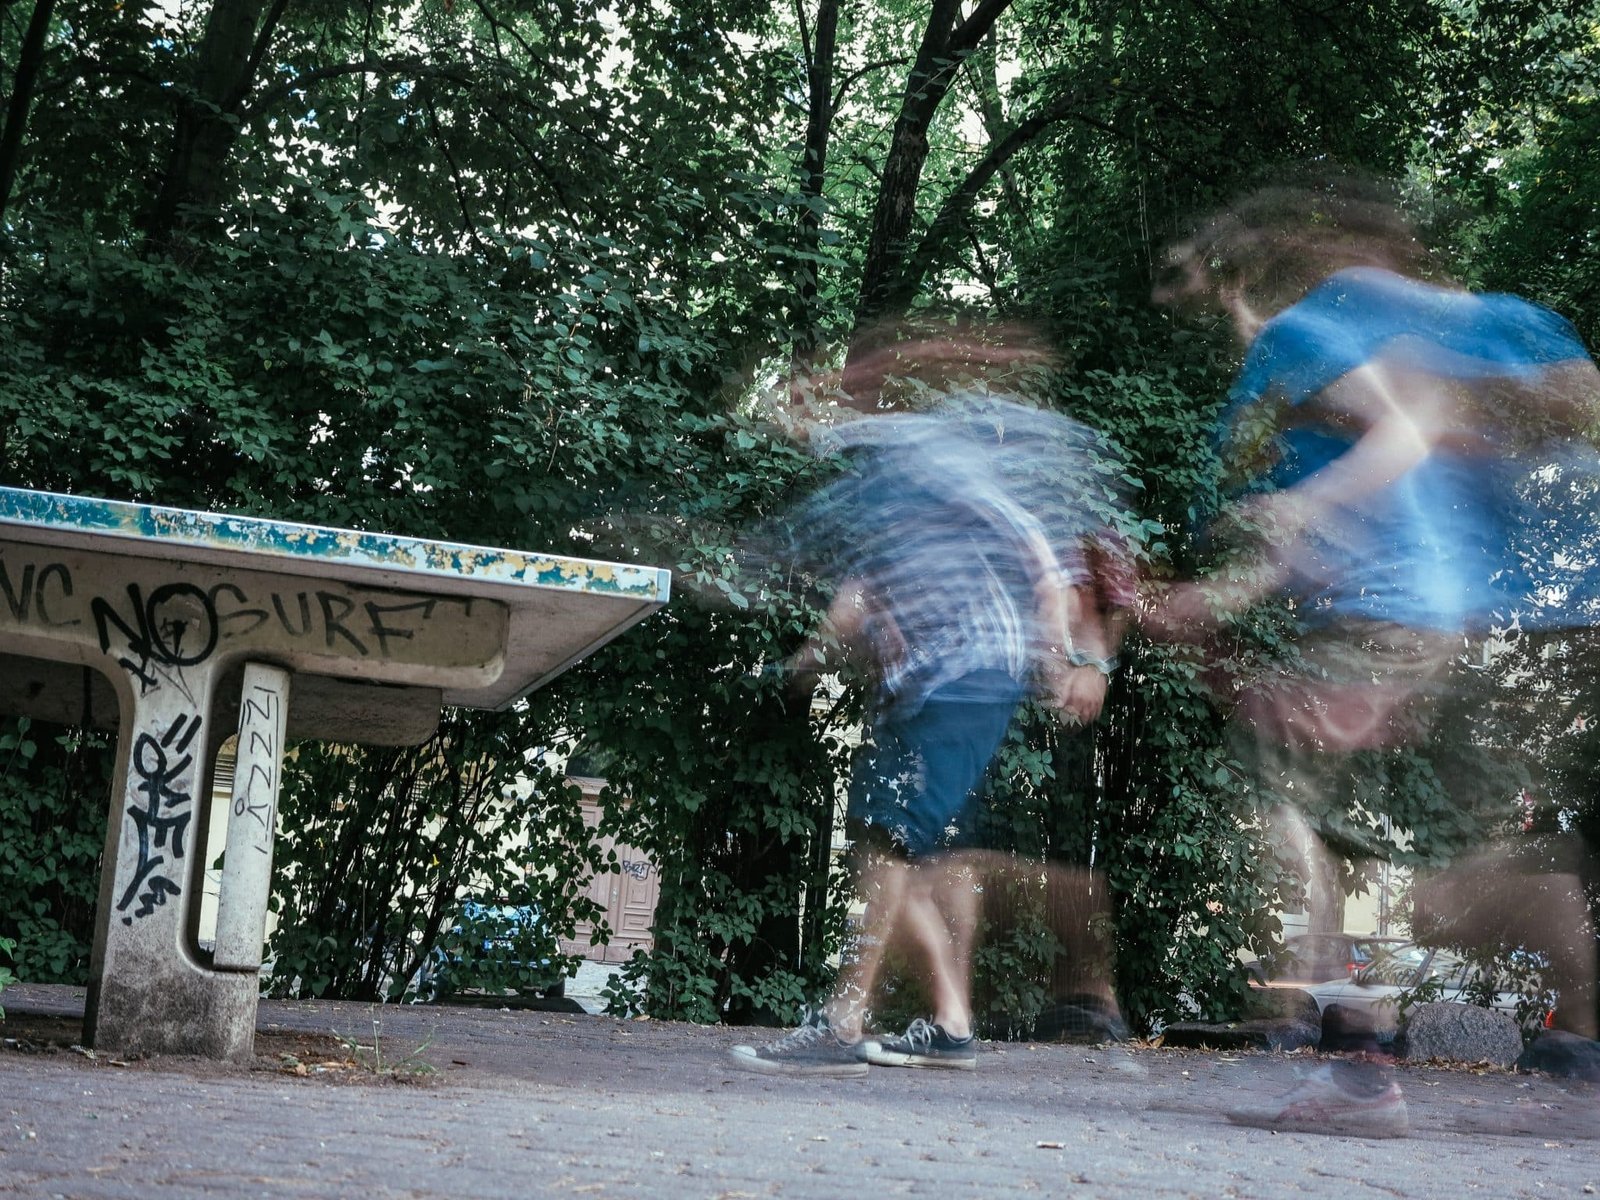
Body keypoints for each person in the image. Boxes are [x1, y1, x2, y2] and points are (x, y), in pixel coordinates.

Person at [1147, 177, 1600, 1136]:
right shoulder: (1392, 338)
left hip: (1389, 617)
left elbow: (1406, 423)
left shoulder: (1310, 337)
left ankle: (1357, 1064)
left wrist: (1309, 509)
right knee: (1458, 864)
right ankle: (1578, 1031)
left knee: (1280, 805)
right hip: (1472, 622)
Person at [728, 324, 1134, 1076]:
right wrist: (810, 656)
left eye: (798, 402)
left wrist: (1067, 657)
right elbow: (862, 593)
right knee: (901, 853)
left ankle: (843, 1023)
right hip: (927, 686)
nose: (787, 418)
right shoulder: (867, 483)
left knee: (887, 843)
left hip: (965, 677)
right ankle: (950, 1024)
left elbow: (1036, 551)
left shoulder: (917, 450)